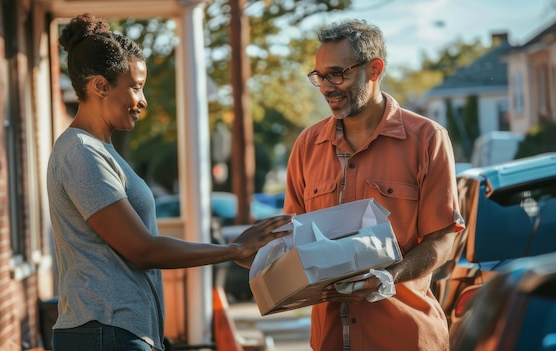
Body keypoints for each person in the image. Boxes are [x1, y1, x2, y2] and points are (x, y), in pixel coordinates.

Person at [47, 13, 292, 351]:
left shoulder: (100, 151)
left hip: (117, 331)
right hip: (104, 331)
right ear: (101, 86)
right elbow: (142, 249)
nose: (143, 100)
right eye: (135, 87)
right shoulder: (81, 153)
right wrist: (234, 250)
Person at [283, 19, 465, 350]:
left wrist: (389, 276)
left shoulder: (427, 139)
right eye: (319, 77)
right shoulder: (306, 146)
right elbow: (291, 238)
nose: (326, 87)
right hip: (330, 341)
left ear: (375, 69)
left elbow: (442, 239)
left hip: (405, 339)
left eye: (337, 74)